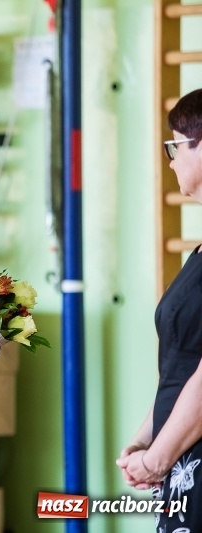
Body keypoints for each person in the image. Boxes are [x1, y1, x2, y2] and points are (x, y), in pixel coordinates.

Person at [117, 88, 202, 531]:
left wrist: (159, 456)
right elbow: (181, 367)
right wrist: (146, 438)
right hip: (181, 457)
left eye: (175, 146)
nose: (170, 160)